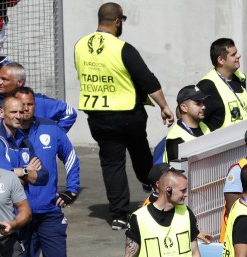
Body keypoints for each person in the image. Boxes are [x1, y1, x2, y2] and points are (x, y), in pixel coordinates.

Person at [74, 3, 174, 231]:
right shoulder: (122, 48)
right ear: (117, 21)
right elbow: (147, 80)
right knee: (139, 152)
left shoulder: (80, 45)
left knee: (112, 163)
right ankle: (153, 188)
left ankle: (119, 214)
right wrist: (164, 106)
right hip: (128, 114)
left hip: (97, 115)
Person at [16, 86, 80, 257]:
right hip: (17, 212)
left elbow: (70, 157)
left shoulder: (51, 128)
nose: (26, 109)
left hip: (49, 211)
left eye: (30, 104)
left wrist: (71, 190)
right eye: (21, 105)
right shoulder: (5, 134)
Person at [121, 169, 204, 257]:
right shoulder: (139, 218)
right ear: (168, 190)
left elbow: (195, 254)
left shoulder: (187, 214)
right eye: (183, 190)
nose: (186, 194)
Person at [0, 62, 76, 132]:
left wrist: (54, 136)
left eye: (4, 79)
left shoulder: (38, 101)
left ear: (19, 82)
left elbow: (69, 112)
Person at [0, 94, 46, 190]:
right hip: (2, 204)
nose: (18, 116)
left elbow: (44, 176)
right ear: (1, 112)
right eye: (13, 112)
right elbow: (4, 179)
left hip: (22, 203)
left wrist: (21, 173)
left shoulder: (24, 141)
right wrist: (26, 171)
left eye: (21, 112)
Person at [198, 37, 247, 131]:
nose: (239, 56)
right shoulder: (207, 86)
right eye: (233, 54)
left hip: (245, 140)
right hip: (222, 143)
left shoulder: (240, 78)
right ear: (221, 60)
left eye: (237, 52)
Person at [162, 85, 209, 163]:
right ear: (184, 107)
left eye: (203, 102)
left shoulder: (204, 126)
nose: (203, 106)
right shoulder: (175, 139)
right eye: (198, 103)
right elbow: (177, 173)